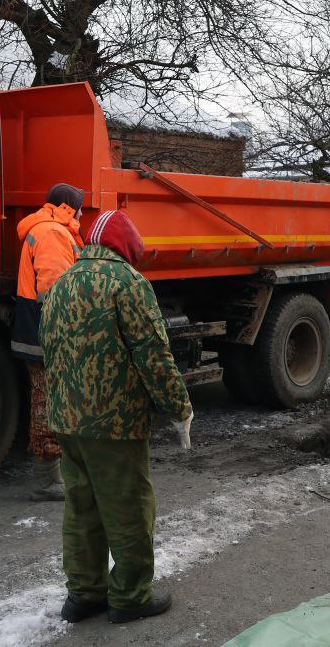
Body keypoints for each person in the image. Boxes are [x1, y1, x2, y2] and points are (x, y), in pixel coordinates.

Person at [40, 209, 193, 625]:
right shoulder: (128, 283)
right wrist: (179, 408)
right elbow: (153, 355)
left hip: (66, 420)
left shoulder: (63, 282)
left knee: (82, 508)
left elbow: (48, 350)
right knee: (127, 507)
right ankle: (129, 597)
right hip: (113, 423)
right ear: (125, 249)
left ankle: (84, 595)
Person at [14, 182, 86, 502]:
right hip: (49, 335)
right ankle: (47, 480)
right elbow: (58, 291)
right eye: (79, 208)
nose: (83, 214)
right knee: (49, 402)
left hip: (39, 331)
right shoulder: (53, 233)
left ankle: (55, 474)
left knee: (49, 399)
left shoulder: (46, 228)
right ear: (68, 208)